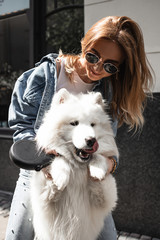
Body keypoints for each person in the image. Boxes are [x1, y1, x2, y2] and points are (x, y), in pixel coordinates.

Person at [5, 16, 153, 240]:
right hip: (40, 171)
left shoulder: (108, 93)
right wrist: (41, 150)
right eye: (93, 55)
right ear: (85, 43)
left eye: (110, 66)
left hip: (86, 179)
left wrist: (110, 163)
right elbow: (22, 123)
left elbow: (105, 142)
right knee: (19, 235)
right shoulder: (46, 75)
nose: (97, 67)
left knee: (108, 237)